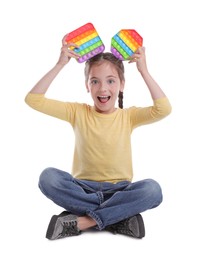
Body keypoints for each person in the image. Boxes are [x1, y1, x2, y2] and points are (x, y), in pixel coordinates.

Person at [25, 34, 172, 241]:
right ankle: (118, 218)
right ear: (87, 85)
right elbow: (33, 100)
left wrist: (144, 71)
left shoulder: (128, 116)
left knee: (152, 190)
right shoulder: (77, 112)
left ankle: (84, 221)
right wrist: (60, 64)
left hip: (120, 190)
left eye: (110, 81)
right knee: (48, 178)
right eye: (95, 81)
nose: (103, 88)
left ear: (122, 84)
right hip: (82, 189)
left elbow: (163, 109)